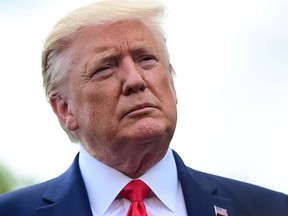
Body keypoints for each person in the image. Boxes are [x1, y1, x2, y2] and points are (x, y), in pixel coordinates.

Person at [0, 0, 287, 215]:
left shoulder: (271, 209)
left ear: (172, 85)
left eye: (146, 59)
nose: (135, 80)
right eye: (105, 68)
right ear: (64, 109)